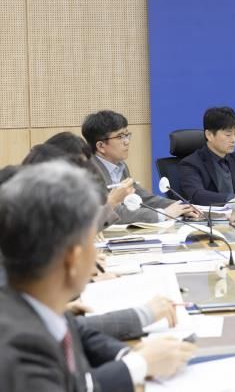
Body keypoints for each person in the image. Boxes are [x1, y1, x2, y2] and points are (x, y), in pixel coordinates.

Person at [0, 161, 195, 391]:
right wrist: (139, 364)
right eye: (92, 240)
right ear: (73, 259)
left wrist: (135, 357)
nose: (98, 254)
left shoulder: (35, 302)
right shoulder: (18, 351)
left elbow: (75, 334)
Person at [82, 110, 195, 223]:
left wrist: (183, 206)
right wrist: (162, 214)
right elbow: (113, 212)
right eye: (120, 137)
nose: (127, 142)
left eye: (127, 135)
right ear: (101, 146)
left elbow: (144, 198)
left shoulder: (120, 166)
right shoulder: (88, 172)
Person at [179, 106, 235, 205]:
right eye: (228, 135)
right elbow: (197, 195)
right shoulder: (190, 164)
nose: (233, 140)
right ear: (209, 135)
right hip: (209, 213)